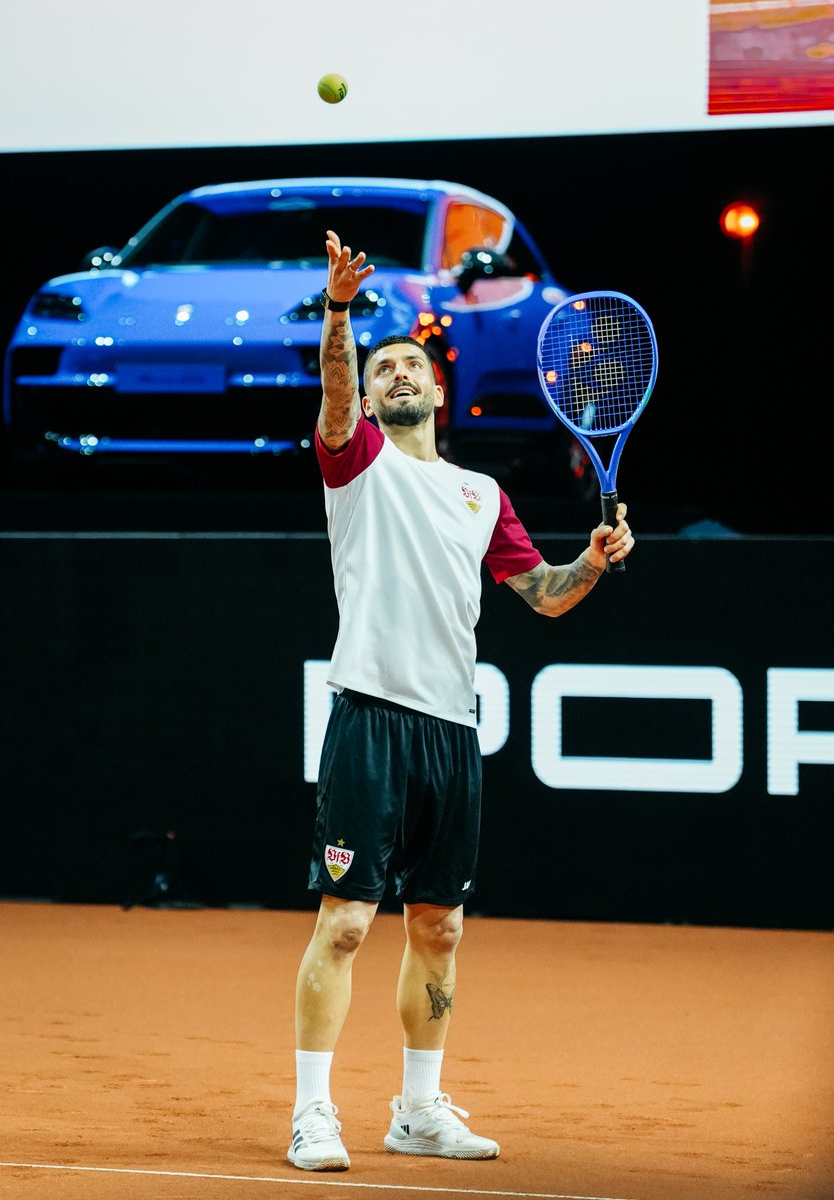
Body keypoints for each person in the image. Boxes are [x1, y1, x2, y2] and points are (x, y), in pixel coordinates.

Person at [287, 230, 635, 1173]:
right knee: (347, 920)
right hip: (369, 714)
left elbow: (545, 595)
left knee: (438, 927)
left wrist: (593, 565)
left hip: (451, 728)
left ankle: (417, 1107)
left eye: (411, 366)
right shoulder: (353, 463)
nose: (394, 374)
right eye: (379, 367)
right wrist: (339, 314)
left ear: (440, 391)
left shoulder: (482, 494)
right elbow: (332, 388)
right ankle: (313, 1111)